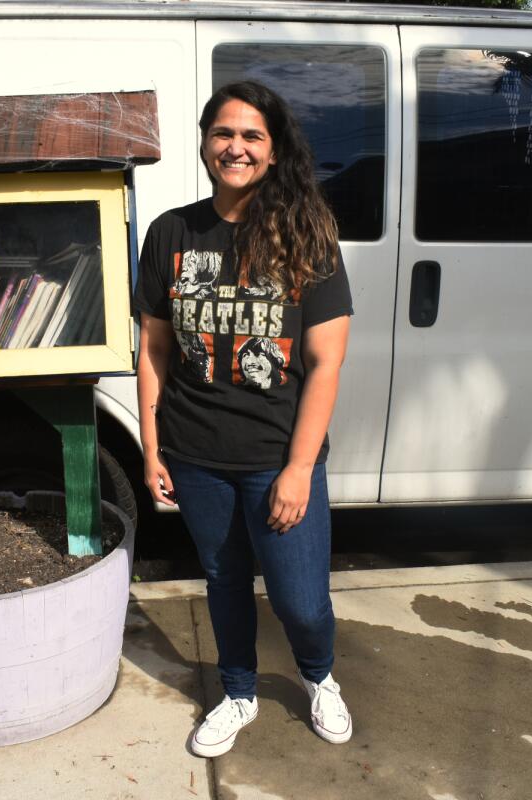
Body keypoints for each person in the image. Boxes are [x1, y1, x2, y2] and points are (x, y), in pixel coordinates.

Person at [133, 80, 354, 758]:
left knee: (300, 601)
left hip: (277, 458)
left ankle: (320, 676)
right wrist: (151, 449)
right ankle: (237, 691)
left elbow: (324, 363)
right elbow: (155, 349)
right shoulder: (171, 231)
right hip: (196, 454)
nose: (235, 146)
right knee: (225, 579)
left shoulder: (307, 236)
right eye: (223, 133)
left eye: (251, 136)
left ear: (273, 150)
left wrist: (297, 468)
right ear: (205, 143)